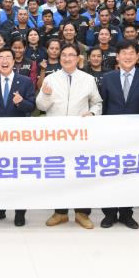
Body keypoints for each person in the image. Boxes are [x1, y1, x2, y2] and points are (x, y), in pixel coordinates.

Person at [36, 43, 102, 229]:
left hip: (80, 136)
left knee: (81, 174)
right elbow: (41, 106)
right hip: (56, 136)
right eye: (63, 55)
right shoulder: (51, 78)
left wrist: (93, 113)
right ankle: (60, 213)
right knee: (59, 174)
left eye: (71, 55)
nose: (66, 58)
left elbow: (97, 103)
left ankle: (82, 213)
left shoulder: (88, 79)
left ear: (78, 58)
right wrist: (46, 95)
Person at [98, 40, 139, 229]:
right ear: (117, 56)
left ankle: (126, 214)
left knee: (130, 176)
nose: (128, 56)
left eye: (132, 53)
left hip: (135, 136)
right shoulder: (108, 78)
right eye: (124, 53)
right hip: (111, 136)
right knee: (110, 175)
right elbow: (103, 106)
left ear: (138, 56)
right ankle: (109, 214)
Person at [0, 47, 36, 227]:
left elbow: (32, 106)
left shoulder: (25, 81)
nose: (4, 61)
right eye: (1, 57)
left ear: (14, 62)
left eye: (8, 57)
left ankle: (20, 212)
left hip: (18, 139)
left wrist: (21, 103)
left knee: (19, 177)